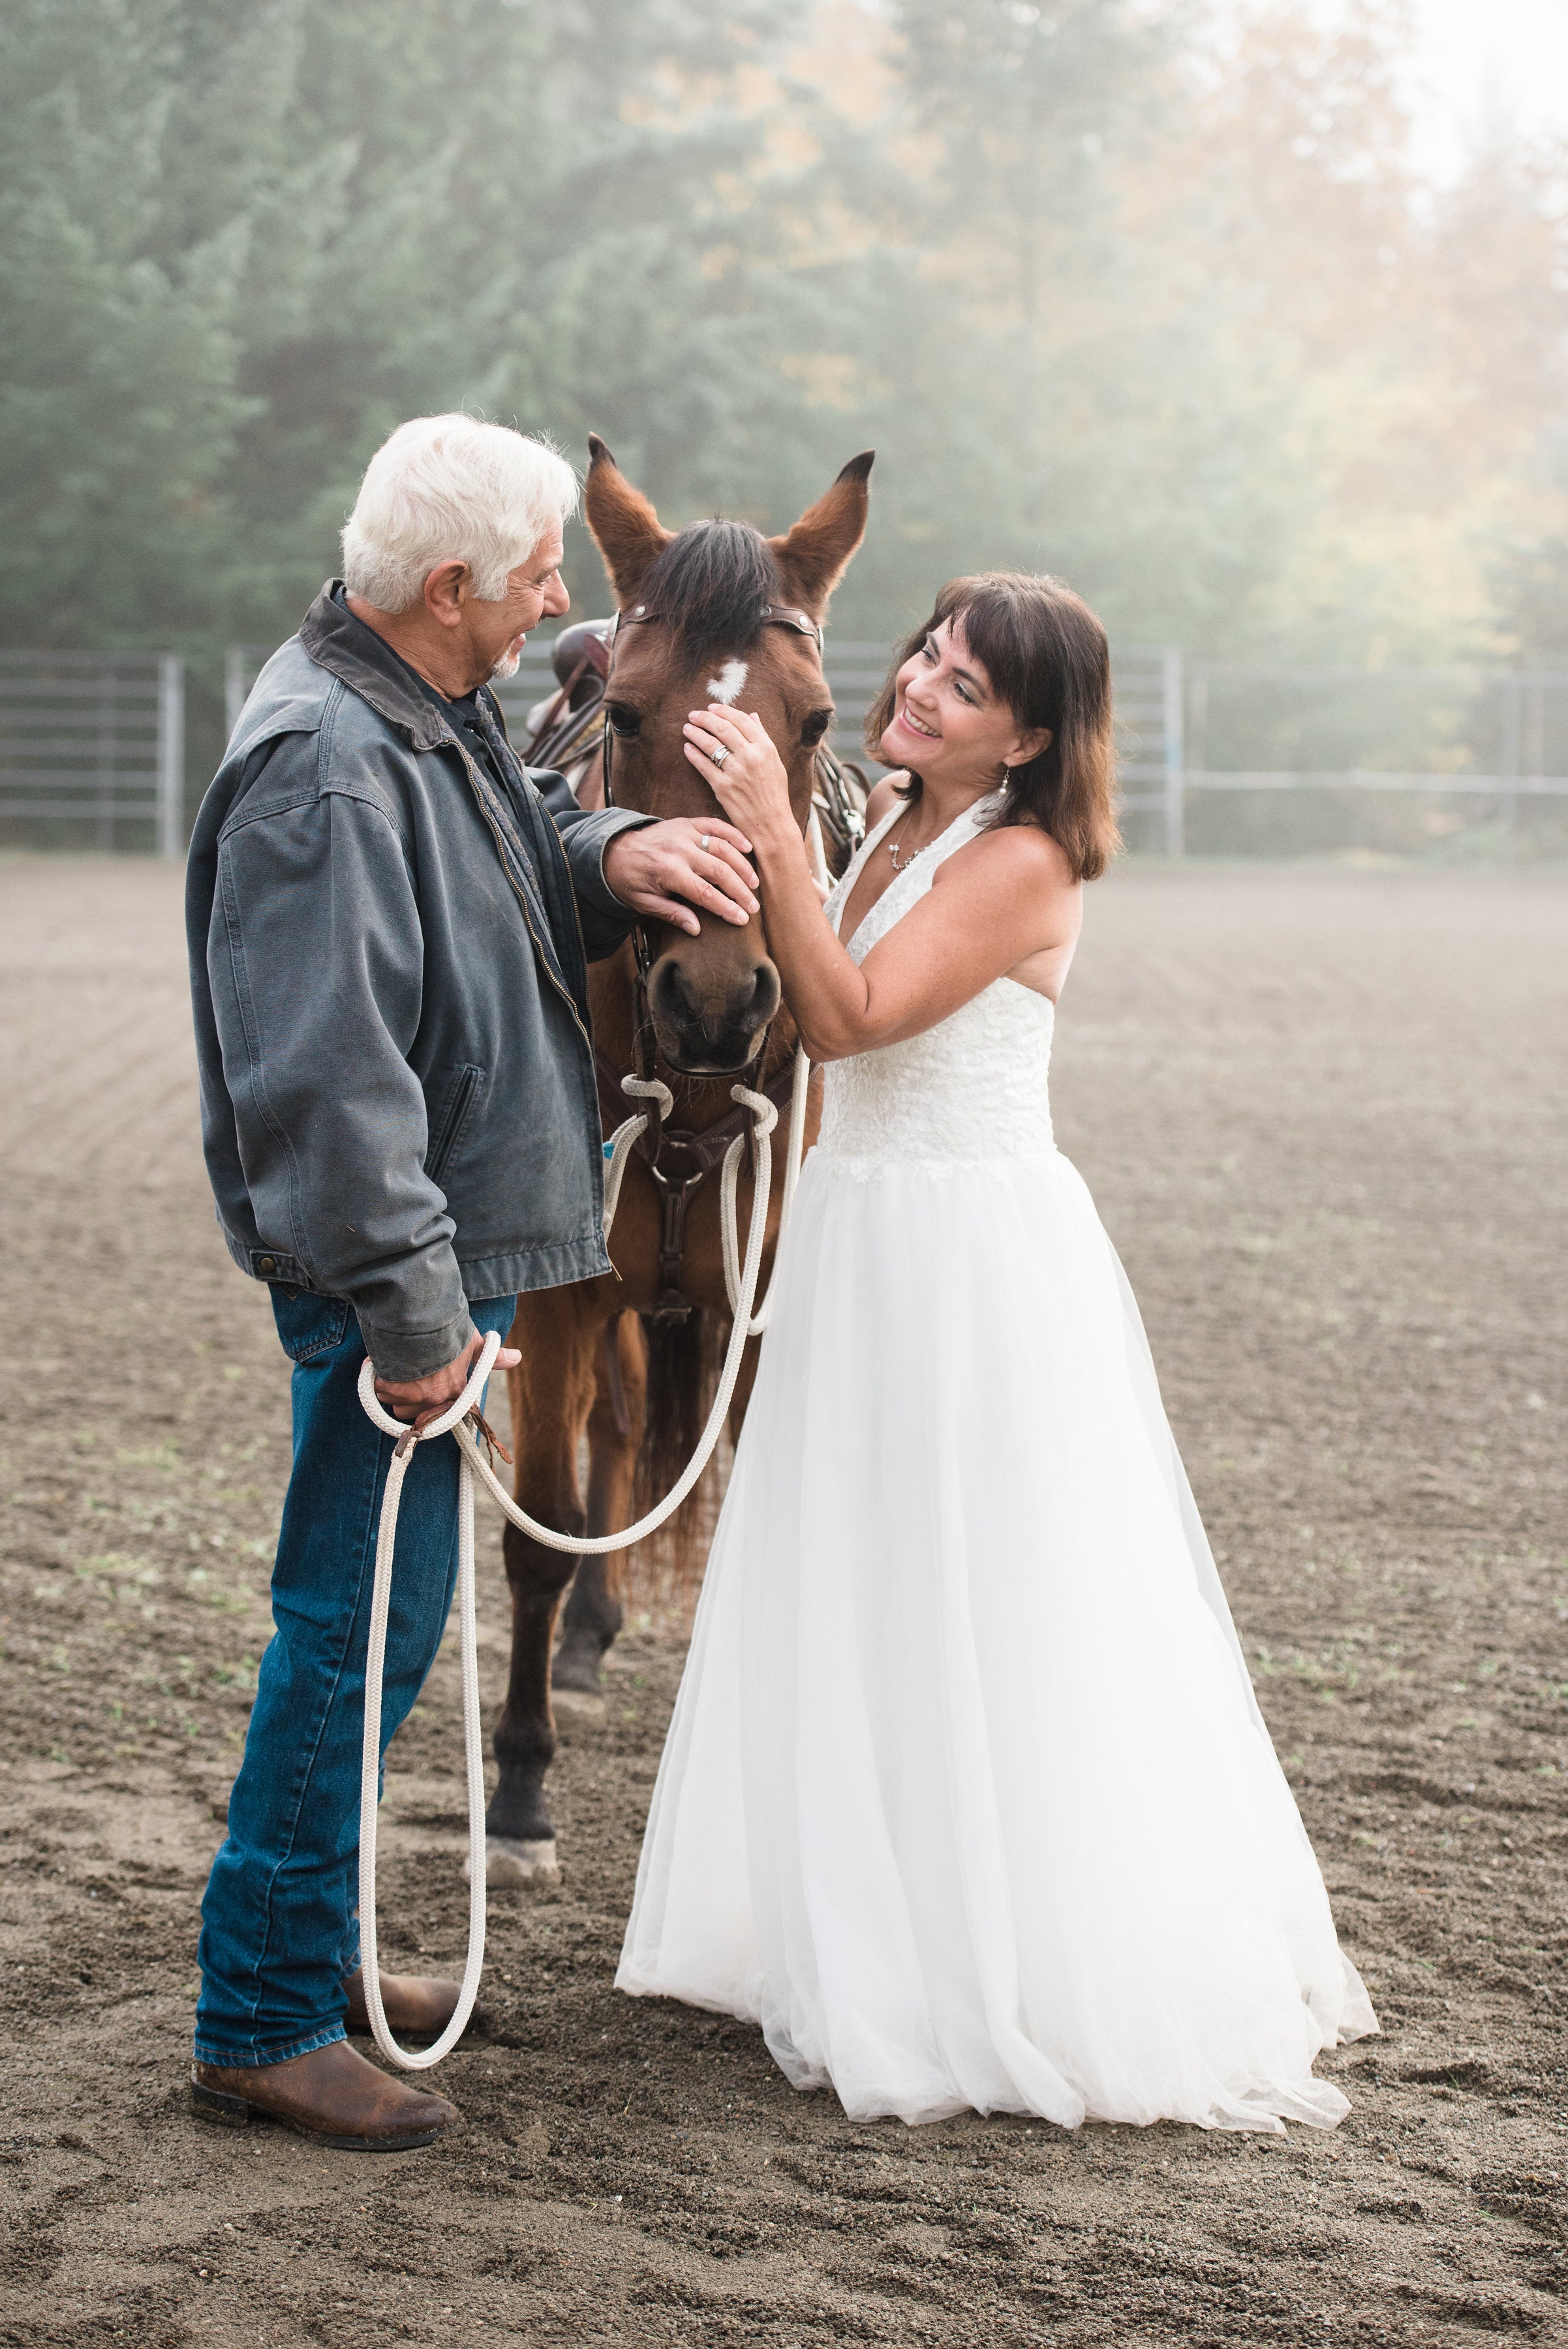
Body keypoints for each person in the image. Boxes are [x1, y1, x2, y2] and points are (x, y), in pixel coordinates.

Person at [617, 571, 1377, 2132]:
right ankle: (859, 1908)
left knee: (981, 1586)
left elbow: (841, 1018)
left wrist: (770, 818)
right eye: (925, 658)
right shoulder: (890, 815)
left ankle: (994, 1951)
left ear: (1030, 736)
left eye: (963, 687)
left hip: (964, 1258)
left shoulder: (1024, 862)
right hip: (856, 1229)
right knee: (859, 1570)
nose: (919, 690)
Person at [185, 414, 756, 2151]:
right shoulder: (329, 769)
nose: (559, 602)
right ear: (449, 589)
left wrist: (607, 857)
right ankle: (266, 2016)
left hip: (429, 1281)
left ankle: (319, 1949)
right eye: (532, 577)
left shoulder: (401, 713)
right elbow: (330, 1087)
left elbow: (496, 848)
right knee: (348, 1641)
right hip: (397, 1300)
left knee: (388, 1626)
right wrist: (421, 1323)